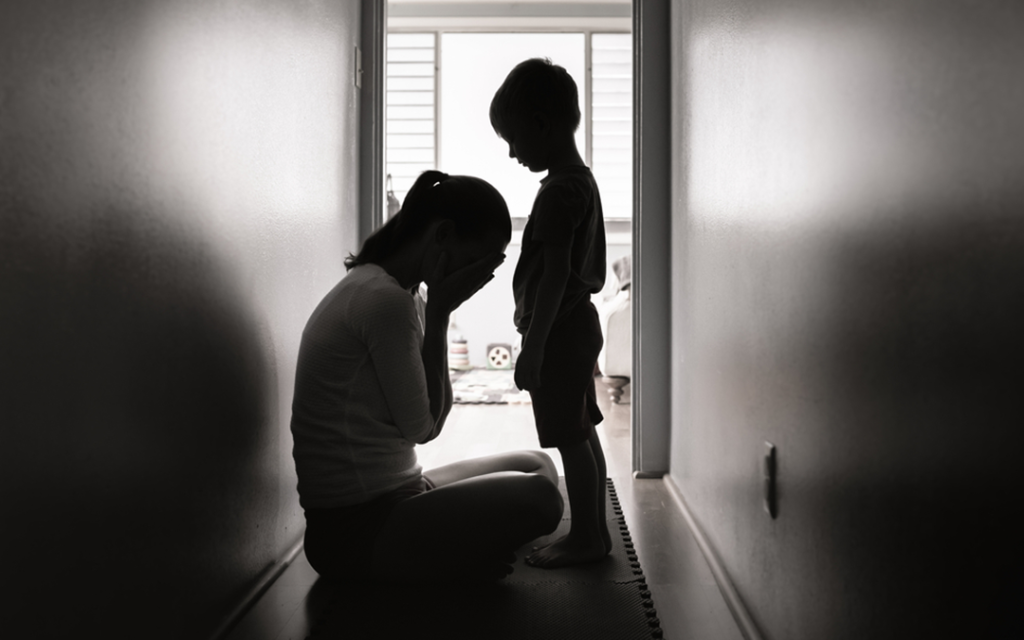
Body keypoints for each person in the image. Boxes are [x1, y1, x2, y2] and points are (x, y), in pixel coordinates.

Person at [290, 170, 563, 583]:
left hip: (401, 492)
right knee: (542, 499)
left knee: (539, 464)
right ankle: (441, 561)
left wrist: (436, 311)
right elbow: (423, 428)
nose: (477, 277)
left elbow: (427, 416)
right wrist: (439, 316)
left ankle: (443, 550)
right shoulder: (385, 301)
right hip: (355, 532)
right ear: (442, 236)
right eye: (478, 260)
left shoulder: (397, 291)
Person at [490, 58, 610, 568]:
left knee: (568, 437)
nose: (513, 152)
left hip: (559, 331)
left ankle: (584, 538)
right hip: (576, 325)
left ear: (542, 124)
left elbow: (556, 275)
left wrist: (533, 346)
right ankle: (594, 533)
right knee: (582, 432)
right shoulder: (578, 181)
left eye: (513, 139)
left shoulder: (560, 192)